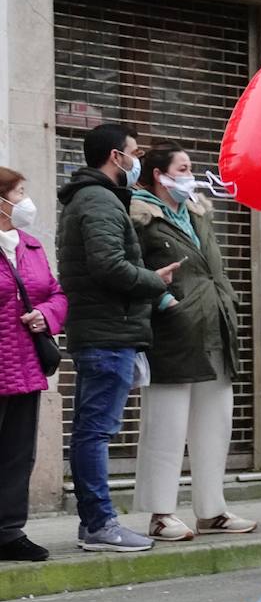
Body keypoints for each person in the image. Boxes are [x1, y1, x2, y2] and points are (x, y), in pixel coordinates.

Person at [58, 124, 179, 553]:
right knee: (96, 432)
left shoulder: (92, 199)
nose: (138, 160)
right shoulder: (99, 201)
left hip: (105, 330)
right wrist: (153, 279)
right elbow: (109, 266)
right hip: (108, 332)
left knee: (91, 430)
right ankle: (100, 525)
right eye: (135, 152)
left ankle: (92, 521)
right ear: (116, 156)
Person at [130, 143, 255, 540]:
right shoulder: (139, 217)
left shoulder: (198, 213)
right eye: (182, 168)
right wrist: (164, 301)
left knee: (215, 421)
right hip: (171, 329)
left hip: (214, 324)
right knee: (165, 425)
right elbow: (130, 268)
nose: (190, 174)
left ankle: (212, 510)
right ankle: (161, 513)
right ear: (159, 175)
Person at [0, 167, 67, 562]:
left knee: (17, 455)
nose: (26, 201)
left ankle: (8, 532)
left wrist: (46, 314)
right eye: (19, 192)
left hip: (24, 367)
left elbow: (57, 294)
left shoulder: (30, 245)